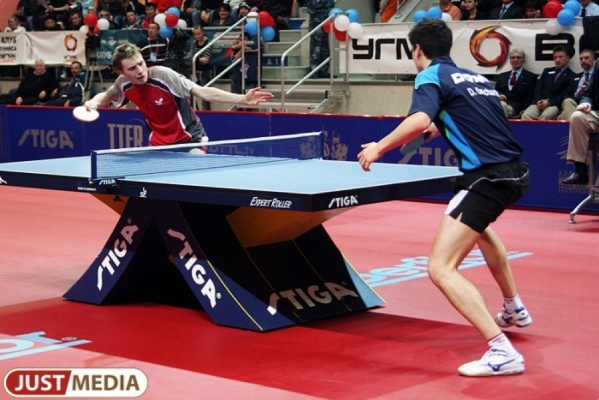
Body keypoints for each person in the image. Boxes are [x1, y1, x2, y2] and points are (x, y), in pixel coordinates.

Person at [357, 19, 531, 377]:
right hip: (516, 172)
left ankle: (502, 351)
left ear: (417, 50)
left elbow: (418, 119)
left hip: (487, 179)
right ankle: (513, 306)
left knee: (440, 268)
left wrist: (379, 147)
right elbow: (470, 116)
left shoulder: (429, 76)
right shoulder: (474, 77)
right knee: (480, 231)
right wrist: (441, 126)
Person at [84, 43, 273, 146]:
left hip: (189, 138)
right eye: (132, 68)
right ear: (121, 72)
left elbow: (202, 92)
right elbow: (106, 96)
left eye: (141, 63)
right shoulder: (123, 83)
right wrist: (93, 102)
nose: (140, 71)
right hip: (158, 142)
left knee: (195, 184)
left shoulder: (164, 76)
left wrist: (242, 98)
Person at [521, 45, 575, 121]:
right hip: (539, 102)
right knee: (526, 115)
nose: (557, 60)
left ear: (567, 58)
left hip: (555, 105)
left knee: (546, 116)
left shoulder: (572, 75)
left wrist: (549, 102)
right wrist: (539, 101)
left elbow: (565, 95)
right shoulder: (547, 71)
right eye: (555, 57)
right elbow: (538, 87)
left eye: (560, 57)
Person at [494, 48, 537, 118]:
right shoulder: (502, 76)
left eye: (518, 58)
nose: (515, 60)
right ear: (510, 60)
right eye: (513, 58)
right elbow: (495, 92)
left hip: (517, 107)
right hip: (502, 103)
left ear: (523, 60)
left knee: (501, 106)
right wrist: (499, 96)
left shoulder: (530, 76)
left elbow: (530, 96)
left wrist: (524, 109)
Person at [561, 50, 596, 121]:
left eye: (586, 58)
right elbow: (568, 94)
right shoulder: (575, 77)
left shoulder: (596, 76)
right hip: (574, 104)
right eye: (581, 59)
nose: (583, 60)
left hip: (589, 105)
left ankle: (572, 126)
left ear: (593, 59)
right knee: (567, 102)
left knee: (565, 110)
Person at [185, 25, 213, 110]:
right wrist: (199, 59)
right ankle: (195, 110)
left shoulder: (209, 43)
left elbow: (206, 60)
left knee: (205, 95)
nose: (197, 36)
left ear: (203, 33)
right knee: (192, 92)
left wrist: (195, 59)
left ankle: (206, 112)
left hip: (205, 71)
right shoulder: (194, 43)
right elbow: (190, 56)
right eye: (195, 34)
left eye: (199, 34)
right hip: (195, 71)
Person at [306, 0, 334, 78]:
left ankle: (323, 70)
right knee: (316, 46)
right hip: (316, 21)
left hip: (325, 20)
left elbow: (332, 3)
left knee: (325, 46)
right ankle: (314, 71)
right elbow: (315, 4)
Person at [230, 31, 259, 99]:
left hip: (249, 82)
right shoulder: (236, 49)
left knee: (250, 102)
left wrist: (246, 47)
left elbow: (255, 45)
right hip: (237, 81)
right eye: (241, 40)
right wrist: (241, 49)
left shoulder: (254, 48)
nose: (243, 42)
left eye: (245, 40)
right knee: (236, 102)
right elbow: (234, 59)